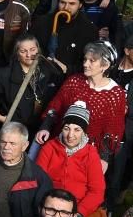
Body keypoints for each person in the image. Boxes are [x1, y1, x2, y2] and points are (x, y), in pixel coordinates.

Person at [35, 41, 126, 172]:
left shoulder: (116, 94)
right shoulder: (74, 81)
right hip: (60, 146)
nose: (85, 64)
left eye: (91, 61)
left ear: (105, 65)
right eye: (85, 59)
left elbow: (112, 131)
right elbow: (55, 106)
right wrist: (45, 128)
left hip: (88, 156)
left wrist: (104, 158)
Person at [35, 102, 107, 217]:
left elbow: (97, 191)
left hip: (76, 208)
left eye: (77, 130)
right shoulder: (49, 147)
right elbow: (37, 181)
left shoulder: (91, 153)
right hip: (50, 204)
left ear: (84, 132)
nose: (70, 135)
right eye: (66, 128)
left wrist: (80, 212)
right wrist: (48, 207)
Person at [0, 34, 63, 131]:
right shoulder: (5, 74)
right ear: (17, 53)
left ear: (38, 49)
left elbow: (61, 84)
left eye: (32, 50)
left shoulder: (47, 68)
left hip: (39, 129)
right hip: (13, 128)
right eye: (23, 51)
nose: (29, 55)